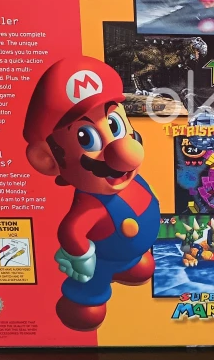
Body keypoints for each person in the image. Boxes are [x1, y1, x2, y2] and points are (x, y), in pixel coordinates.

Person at [23, 56, 160, 331]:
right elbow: (71, 231)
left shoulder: (132, 179)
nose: (122, 150)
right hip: (102, 260)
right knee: (88, 306)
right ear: (48, 159)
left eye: (115, 125)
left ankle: (129, 263)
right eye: (86, 138)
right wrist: (82, 258)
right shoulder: (91, 206)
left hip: (130, 252)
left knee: (141, 266)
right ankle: (85, 299)